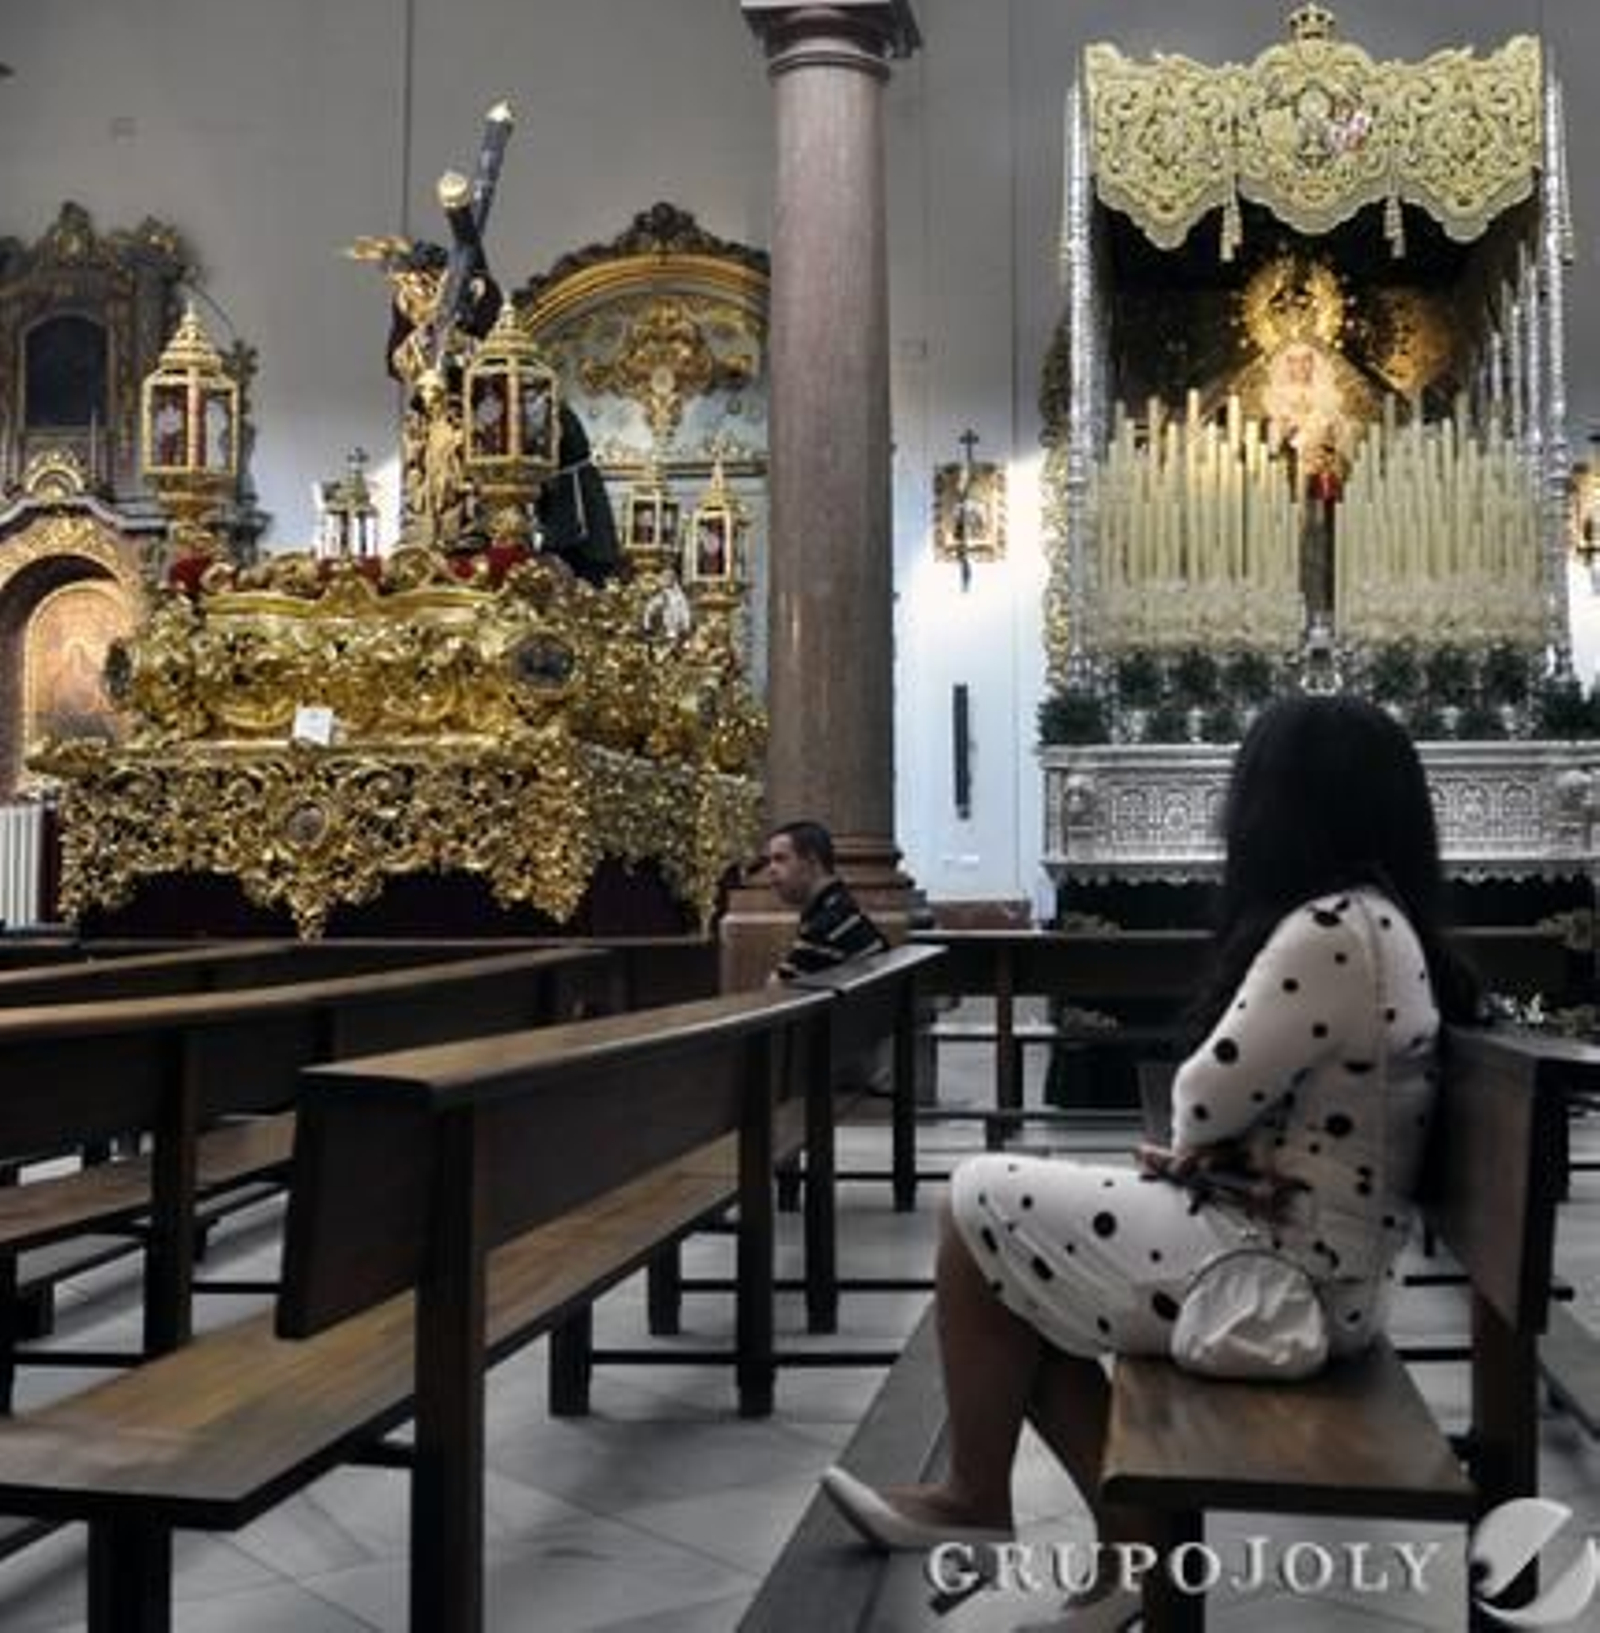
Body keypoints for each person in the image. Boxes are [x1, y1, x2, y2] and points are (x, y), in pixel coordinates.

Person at [818, 696, 1477, 1629]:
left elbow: (1203, 1094)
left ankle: (978, 1498)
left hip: (1282, 1284)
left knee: (977, 1198)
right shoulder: (1380, 923)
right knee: (1020, 1250)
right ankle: (1123, 1548)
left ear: (1284, 806)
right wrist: (1211, 1161)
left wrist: (1205, 1144)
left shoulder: (1330, 928)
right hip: (1314, 1263)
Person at [763, 819, 887, 980]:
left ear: (812, 861)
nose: (770, 869)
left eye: (781, 859)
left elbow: (779, 993)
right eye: (769, 861)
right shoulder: (837, 906)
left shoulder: (828, 923)